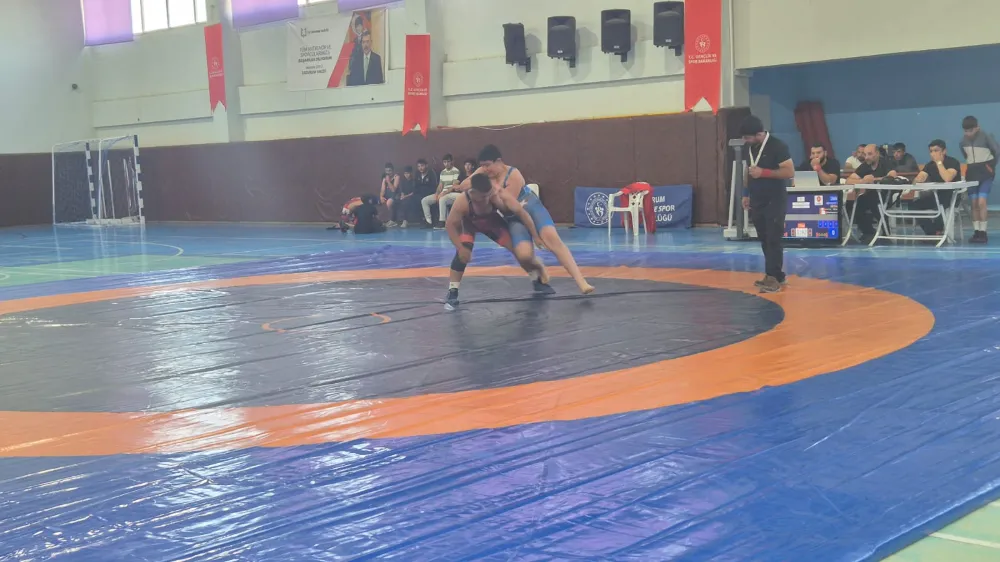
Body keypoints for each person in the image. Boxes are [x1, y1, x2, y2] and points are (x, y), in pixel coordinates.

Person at [457, 144, 594, 295]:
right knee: (523, 255)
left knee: (551, 239)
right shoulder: (484, 172)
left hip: (530, 207)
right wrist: (485, 183)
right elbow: (463, 185)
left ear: (499, 161)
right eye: (482, 166)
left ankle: (581, 281)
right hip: (513, 216)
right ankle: (539, 268)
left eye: (488, 165)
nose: (485, 169)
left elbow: (508, 206)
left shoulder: (513, 175)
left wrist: (493, 190)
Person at [443, 174, 553, 310]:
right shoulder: (462, 201)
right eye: (482, 197)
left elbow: (522, 213)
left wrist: (535, 236)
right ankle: (453, 291)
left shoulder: (496, 195)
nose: (486, 200)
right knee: (463, 253)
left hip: (491, 222)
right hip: (468, 224)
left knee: (518, 250)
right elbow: (450, 225)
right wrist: (460, 248)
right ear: (473, 193)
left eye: (488, 196)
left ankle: (536, 279)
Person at [740, 115, 794, 293]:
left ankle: (772, 277)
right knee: (764, 237)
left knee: (773, 237)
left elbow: (789, 171)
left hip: (774, 199)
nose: (745, 141)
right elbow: (749, 171)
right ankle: (776, 275)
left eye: (747, 137)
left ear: (759, 134)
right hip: (757, 198)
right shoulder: (751, 148)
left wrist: (763, 172)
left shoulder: (778, 146)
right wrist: (746, 193)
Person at [847, 144, 898, 244]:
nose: (866, 157)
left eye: (870, 154)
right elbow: (848, 180)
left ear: (877, 153)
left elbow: (892, 176)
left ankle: (885, 233)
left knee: (875, 202)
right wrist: (862, 181)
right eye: (865, 154)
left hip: (886, 196)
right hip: (870, 195)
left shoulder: (886, 163)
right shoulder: (865, 165)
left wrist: (873, 179)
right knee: (857, 203)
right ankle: (868, 232)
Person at [960, 115, 999, 243]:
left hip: (985, 173)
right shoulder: (962, 142)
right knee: (974, 204)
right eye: (965, 131)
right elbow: (965, 155)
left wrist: (990, 166)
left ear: (977, 127)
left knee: (982, 202)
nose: (968, 133)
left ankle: (983, 232)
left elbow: (997, 151)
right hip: (972, 173)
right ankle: (976, 231)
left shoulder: (986, 137)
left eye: (970, 130)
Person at [911, 139, 961, 236]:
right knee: (914, 206)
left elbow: (947, 178)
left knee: (941, 205)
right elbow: (918, 179)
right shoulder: (929, 165)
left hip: (951, 196)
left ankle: (938, 230)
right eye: (931, 151)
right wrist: (919, 178)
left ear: (944, 151)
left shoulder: (953, 162)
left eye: (936, 150)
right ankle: (932, 232)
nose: (933, 153)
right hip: (936, 195)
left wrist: (939, 162)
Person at [432, 154, 463, 229]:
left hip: (453, 193)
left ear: (452, 162)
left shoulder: (456, 171)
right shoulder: (442, 172)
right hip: (443, 193)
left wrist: (443, 194)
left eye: (448, 162)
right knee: (425, 200)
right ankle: (428, 222)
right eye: (444, 162)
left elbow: (454, 186)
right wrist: (437, 194)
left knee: (442, 199)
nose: (446, 164)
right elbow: (440, 185)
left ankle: (442, 222)